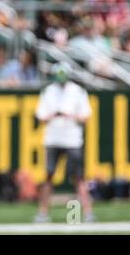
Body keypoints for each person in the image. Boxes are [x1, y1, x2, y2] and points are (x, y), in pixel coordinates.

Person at [34, 63, 96, 223]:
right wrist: (54, 115)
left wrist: (69, 116)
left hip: (72, 140)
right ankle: (43, 213)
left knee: (79, 177)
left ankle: (88, 213)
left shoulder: (77, 91)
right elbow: (40, 116)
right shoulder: (48, 91)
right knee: (48, 176)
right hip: (53, 139)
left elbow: (86, 116)